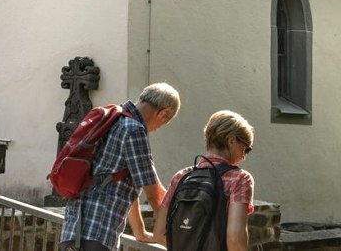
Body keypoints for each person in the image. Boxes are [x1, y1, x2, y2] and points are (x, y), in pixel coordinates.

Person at [61, 83, 180, 251]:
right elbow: (153, 194)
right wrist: (177, 237)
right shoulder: (134, 130)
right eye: (162, 124)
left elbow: (124, 183)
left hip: (72, 231)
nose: (155, 130)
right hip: (98, 233)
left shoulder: (113, 120)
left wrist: (139, 232)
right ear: (164, 113)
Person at [151, 110, 256, 251]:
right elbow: (235, 240)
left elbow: (158, 233)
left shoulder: (181, 176)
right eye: (245, 149)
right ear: (232, 140)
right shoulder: (240, 178)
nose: (244, 157)